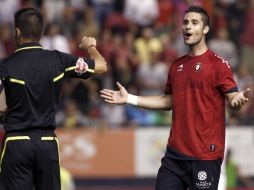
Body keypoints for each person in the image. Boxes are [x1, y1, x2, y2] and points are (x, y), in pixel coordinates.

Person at [100, 5, 250, 190]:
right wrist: (129, 98)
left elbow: (233, 98)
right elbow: (168, 101)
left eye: (194, 23)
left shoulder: (219, 65)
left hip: (205, 156)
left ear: (205, 30)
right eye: (185, 22)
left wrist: (236, 101)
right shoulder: (177, 66)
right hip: (175, 156)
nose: (187, 26)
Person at [0, 7, 107, 190]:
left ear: (17, 32)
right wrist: (90, 46)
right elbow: (101, 66)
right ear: (41, 33)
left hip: (16, 143)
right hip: (47, 143)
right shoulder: (58, 60)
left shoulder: (6, 65)